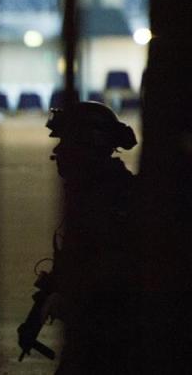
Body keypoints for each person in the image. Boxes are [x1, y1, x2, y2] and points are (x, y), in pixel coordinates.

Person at [44, 101, 140, 374]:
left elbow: (115, 271)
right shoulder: (93, 191)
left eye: (65, 144)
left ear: (88, 148)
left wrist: (70, 295)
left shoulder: (112, 198)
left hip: (115, 335)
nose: (57, 151)